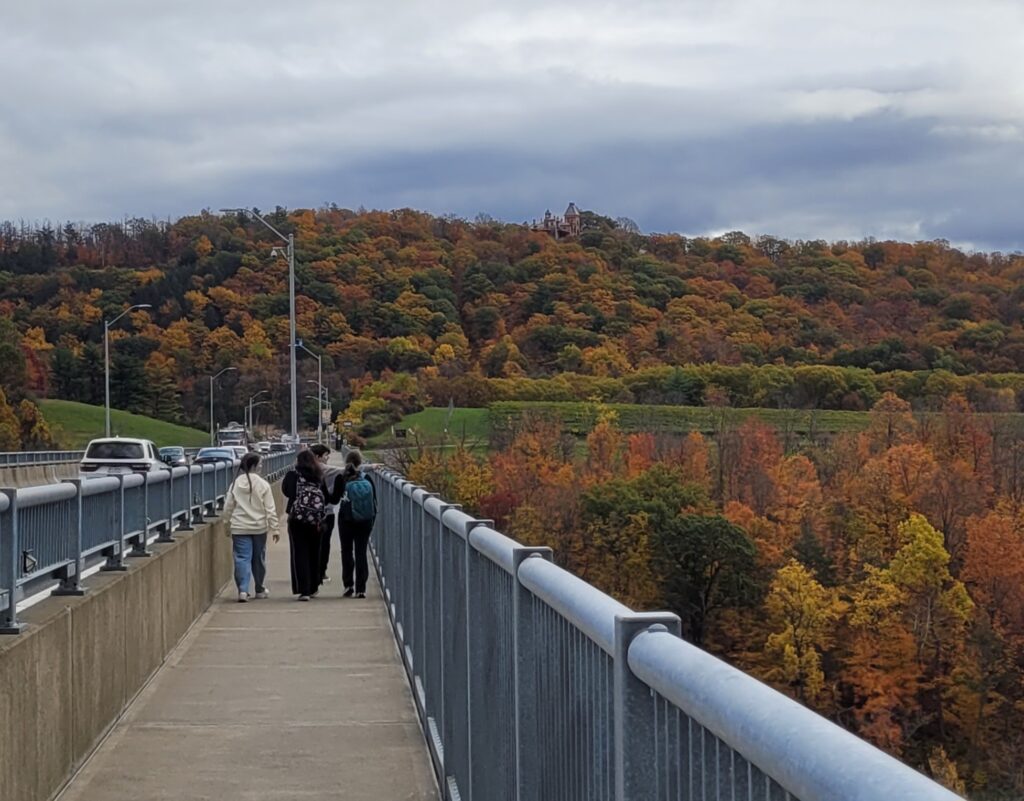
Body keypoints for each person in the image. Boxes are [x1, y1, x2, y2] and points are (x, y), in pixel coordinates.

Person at [282, 449, 344, 601]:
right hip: (316, 520)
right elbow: (329, 499)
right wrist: (339, 485)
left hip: (296, 519)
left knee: (299, 553)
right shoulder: (318, 477)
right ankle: (313, 587)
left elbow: (286, 492)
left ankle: (303, 590)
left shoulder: (292, 475)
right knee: (315, 552)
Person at [222, 453, 280, 603]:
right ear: (254, 466)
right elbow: (270, 509)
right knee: (258, 558)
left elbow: (228, 507)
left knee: (241, 558)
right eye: (260, 464)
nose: (261, 467)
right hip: (259, 527)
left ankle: (243, 589)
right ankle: (259, 588)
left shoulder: (235, 484)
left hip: (239, 527)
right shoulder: (263, 484)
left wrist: (226, 525)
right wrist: (275, 528)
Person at [337, 449, 376, 599]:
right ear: (360, 462)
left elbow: (335, 499)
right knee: (361, 552)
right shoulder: (367, 478)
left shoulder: (342, 478)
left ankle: (348, 585)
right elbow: (374, 502)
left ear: (347, 462)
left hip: (346, 520)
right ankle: (361, 588)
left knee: (346, 551)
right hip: (365, 521)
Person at [309, 444, 341, 585]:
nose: (328, 458)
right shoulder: (323, 469)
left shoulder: (300, 469)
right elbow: (346, 471)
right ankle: (321, 572)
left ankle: (310, 572)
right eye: (326, 455)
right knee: (324, 544)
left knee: (311, 544)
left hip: (307, 514)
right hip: (326, 513)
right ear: (318, 457)